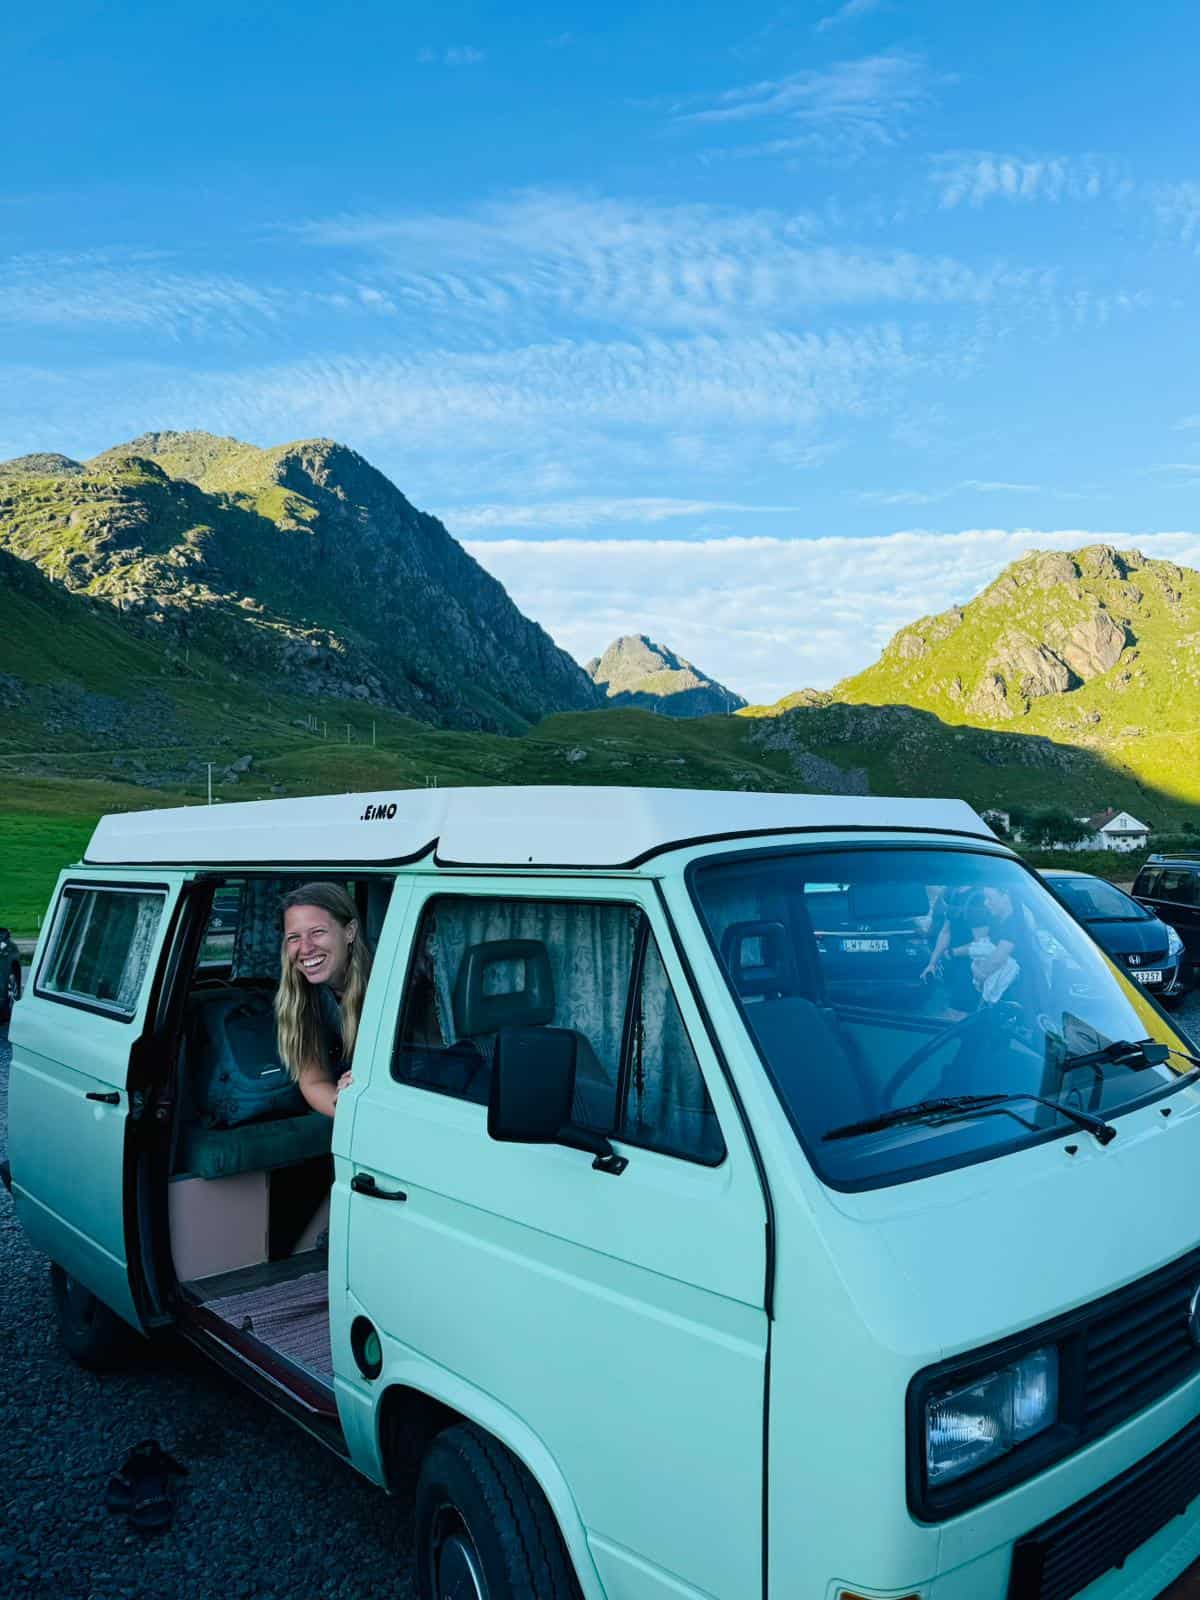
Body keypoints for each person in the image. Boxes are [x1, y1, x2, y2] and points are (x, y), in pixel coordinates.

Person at [274, 882, 372, 1117]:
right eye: (294, 937)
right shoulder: (300, 996)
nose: (305, 948)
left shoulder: (391, 982)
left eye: (317, 932)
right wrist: (344, 1105)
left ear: (349, 932)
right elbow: (313, 1081)